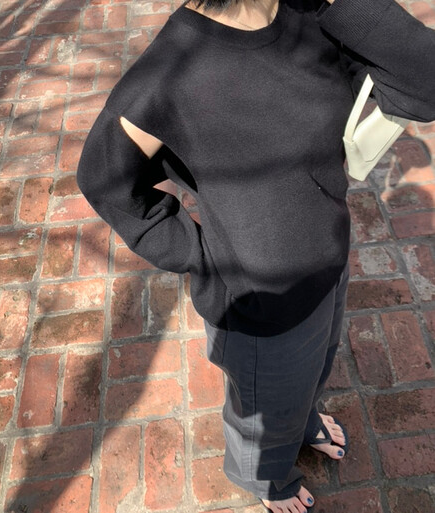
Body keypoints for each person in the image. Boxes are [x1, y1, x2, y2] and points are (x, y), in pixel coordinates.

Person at [77, 0, 435, 510]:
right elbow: (104, 180)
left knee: (315, 369)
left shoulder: (313, 17)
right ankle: (267, 482)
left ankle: (302, 420)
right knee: (263, 418)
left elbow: (424, 83)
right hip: (260, 306)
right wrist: (205, 257)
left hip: (329, 259)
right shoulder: (167, 77)